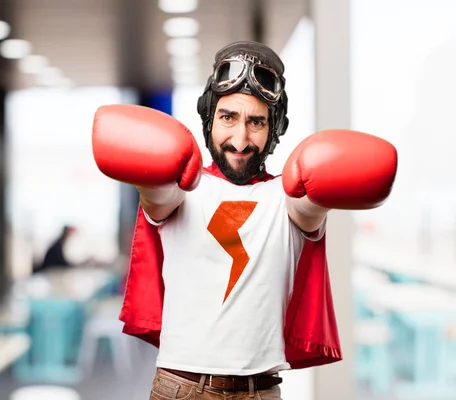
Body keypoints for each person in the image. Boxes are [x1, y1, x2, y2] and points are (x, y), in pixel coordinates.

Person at [92, 41, 397, 399]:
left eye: (256, 122)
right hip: (181, 388)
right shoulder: (177, 190)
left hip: (261, 391)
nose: (240, 139)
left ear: (275, 128)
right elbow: (155, 192)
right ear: (209, 120)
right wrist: (152, 163)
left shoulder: (291, 199)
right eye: (228, 118)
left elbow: (313, 202)